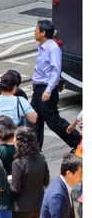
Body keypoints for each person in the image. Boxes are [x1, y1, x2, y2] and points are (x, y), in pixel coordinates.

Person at [30, 20, 81, 151]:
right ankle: (35, 150)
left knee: (53, 122)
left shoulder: (52, 48)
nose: (34, 32)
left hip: (45, 89)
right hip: (38, 89)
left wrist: (48, 90)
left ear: (43, 33)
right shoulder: (43, 46)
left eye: (36, 29)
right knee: (35, 120)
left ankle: (79, 142)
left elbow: (56, 70)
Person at [39, 154, 80, 218]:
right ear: (69, 174)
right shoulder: (57, 196)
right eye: (80, 173)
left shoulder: (63, 183)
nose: (82, 176)